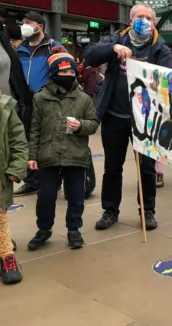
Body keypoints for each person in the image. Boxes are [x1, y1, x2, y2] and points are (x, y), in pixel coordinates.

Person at [84, 3, 172, 231]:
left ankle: (147, 211)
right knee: (113, 166)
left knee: (146, 168)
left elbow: (167, 82)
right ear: (131, 21)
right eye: (140, 17)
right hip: (115, 115)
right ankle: (110, 210)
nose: (145, 21)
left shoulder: (161, 49)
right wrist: (112, 48)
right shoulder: (117, 39)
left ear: (154, 23)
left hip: (145, 119)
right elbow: (90, 56)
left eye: (149, 18)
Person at [26, 52, 98, 251]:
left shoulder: (83, 99)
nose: (67, 74)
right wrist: (32, 156)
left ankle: (74, 230)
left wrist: (81, 125)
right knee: (46, 196)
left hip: (75, 154)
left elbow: (93, 123)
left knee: (75, 196)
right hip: (48, 155)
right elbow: (35, 129)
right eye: (63, 71)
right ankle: (44, 229)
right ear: (54, 73)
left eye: (70, 71)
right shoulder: (40, 98)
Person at [15, 11, 65, 197]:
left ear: (40, 26)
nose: (24, 25)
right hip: (26, 103)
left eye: (29, 22)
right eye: (24, 21)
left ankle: (52, 180)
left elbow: (64, 73)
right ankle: (32, 180)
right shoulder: (20, 50)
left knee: (49, 142)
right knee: (29, 141)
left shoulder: (54, 47)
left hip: (47, 102)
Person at [0, 92, 28, 285]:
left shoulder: (6, 109)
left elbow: (18, 141)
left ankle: (6, 255)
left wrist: (17, 167)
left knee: (0, 219)